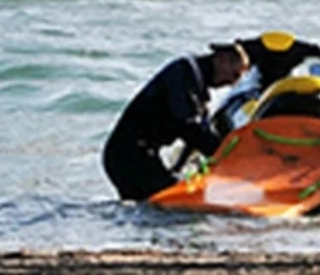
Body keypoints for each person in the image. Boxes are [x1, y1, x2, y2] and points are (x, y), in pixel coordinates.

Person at [102, 42, 249, 201]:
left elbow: (193, 137)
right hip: (126, 155)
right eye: (235, 75)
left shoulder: (197, 86)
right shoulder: (183, 73)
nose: (232, 84)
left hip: (138, 155)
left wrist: (180, 169)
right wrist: (226, 155)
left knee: (150, 206)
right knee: (168, 205)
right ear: (222, 60)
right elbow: (187, 126)